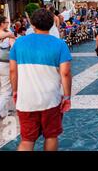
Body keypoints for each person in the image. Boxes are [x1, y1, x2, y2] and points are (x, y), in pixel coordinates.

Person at [9, 9, 72, 151]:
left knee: (27, 139)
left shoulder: (19, 43)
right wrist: (67, 96)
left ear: (32, 24)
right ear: (51, 24)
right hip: (51, 99)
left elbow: (13, 71)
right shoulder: (60, 44)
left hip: (26, 99)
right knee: (51, 136)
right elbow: (66, 73)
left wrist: (15, 91)